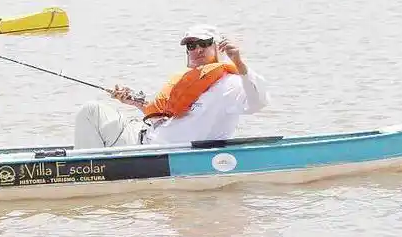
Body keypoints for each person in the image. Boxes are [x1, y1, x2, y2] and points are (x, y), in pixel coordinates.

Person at [73, 25, 269, 148]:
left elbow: (258, 103)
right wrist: (135, 101)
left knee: (90, 111)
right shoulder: (188, 80)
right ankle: (91, 167)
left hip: (150, 150)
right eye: (191, 46)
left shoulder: (231, 84)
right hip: (144, 135)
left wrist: (240, 63)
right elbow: (167, 117)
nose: (197, 49)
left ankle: (86, 171)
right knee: (95, 111)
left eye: (204, 43)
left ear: (218, 47)